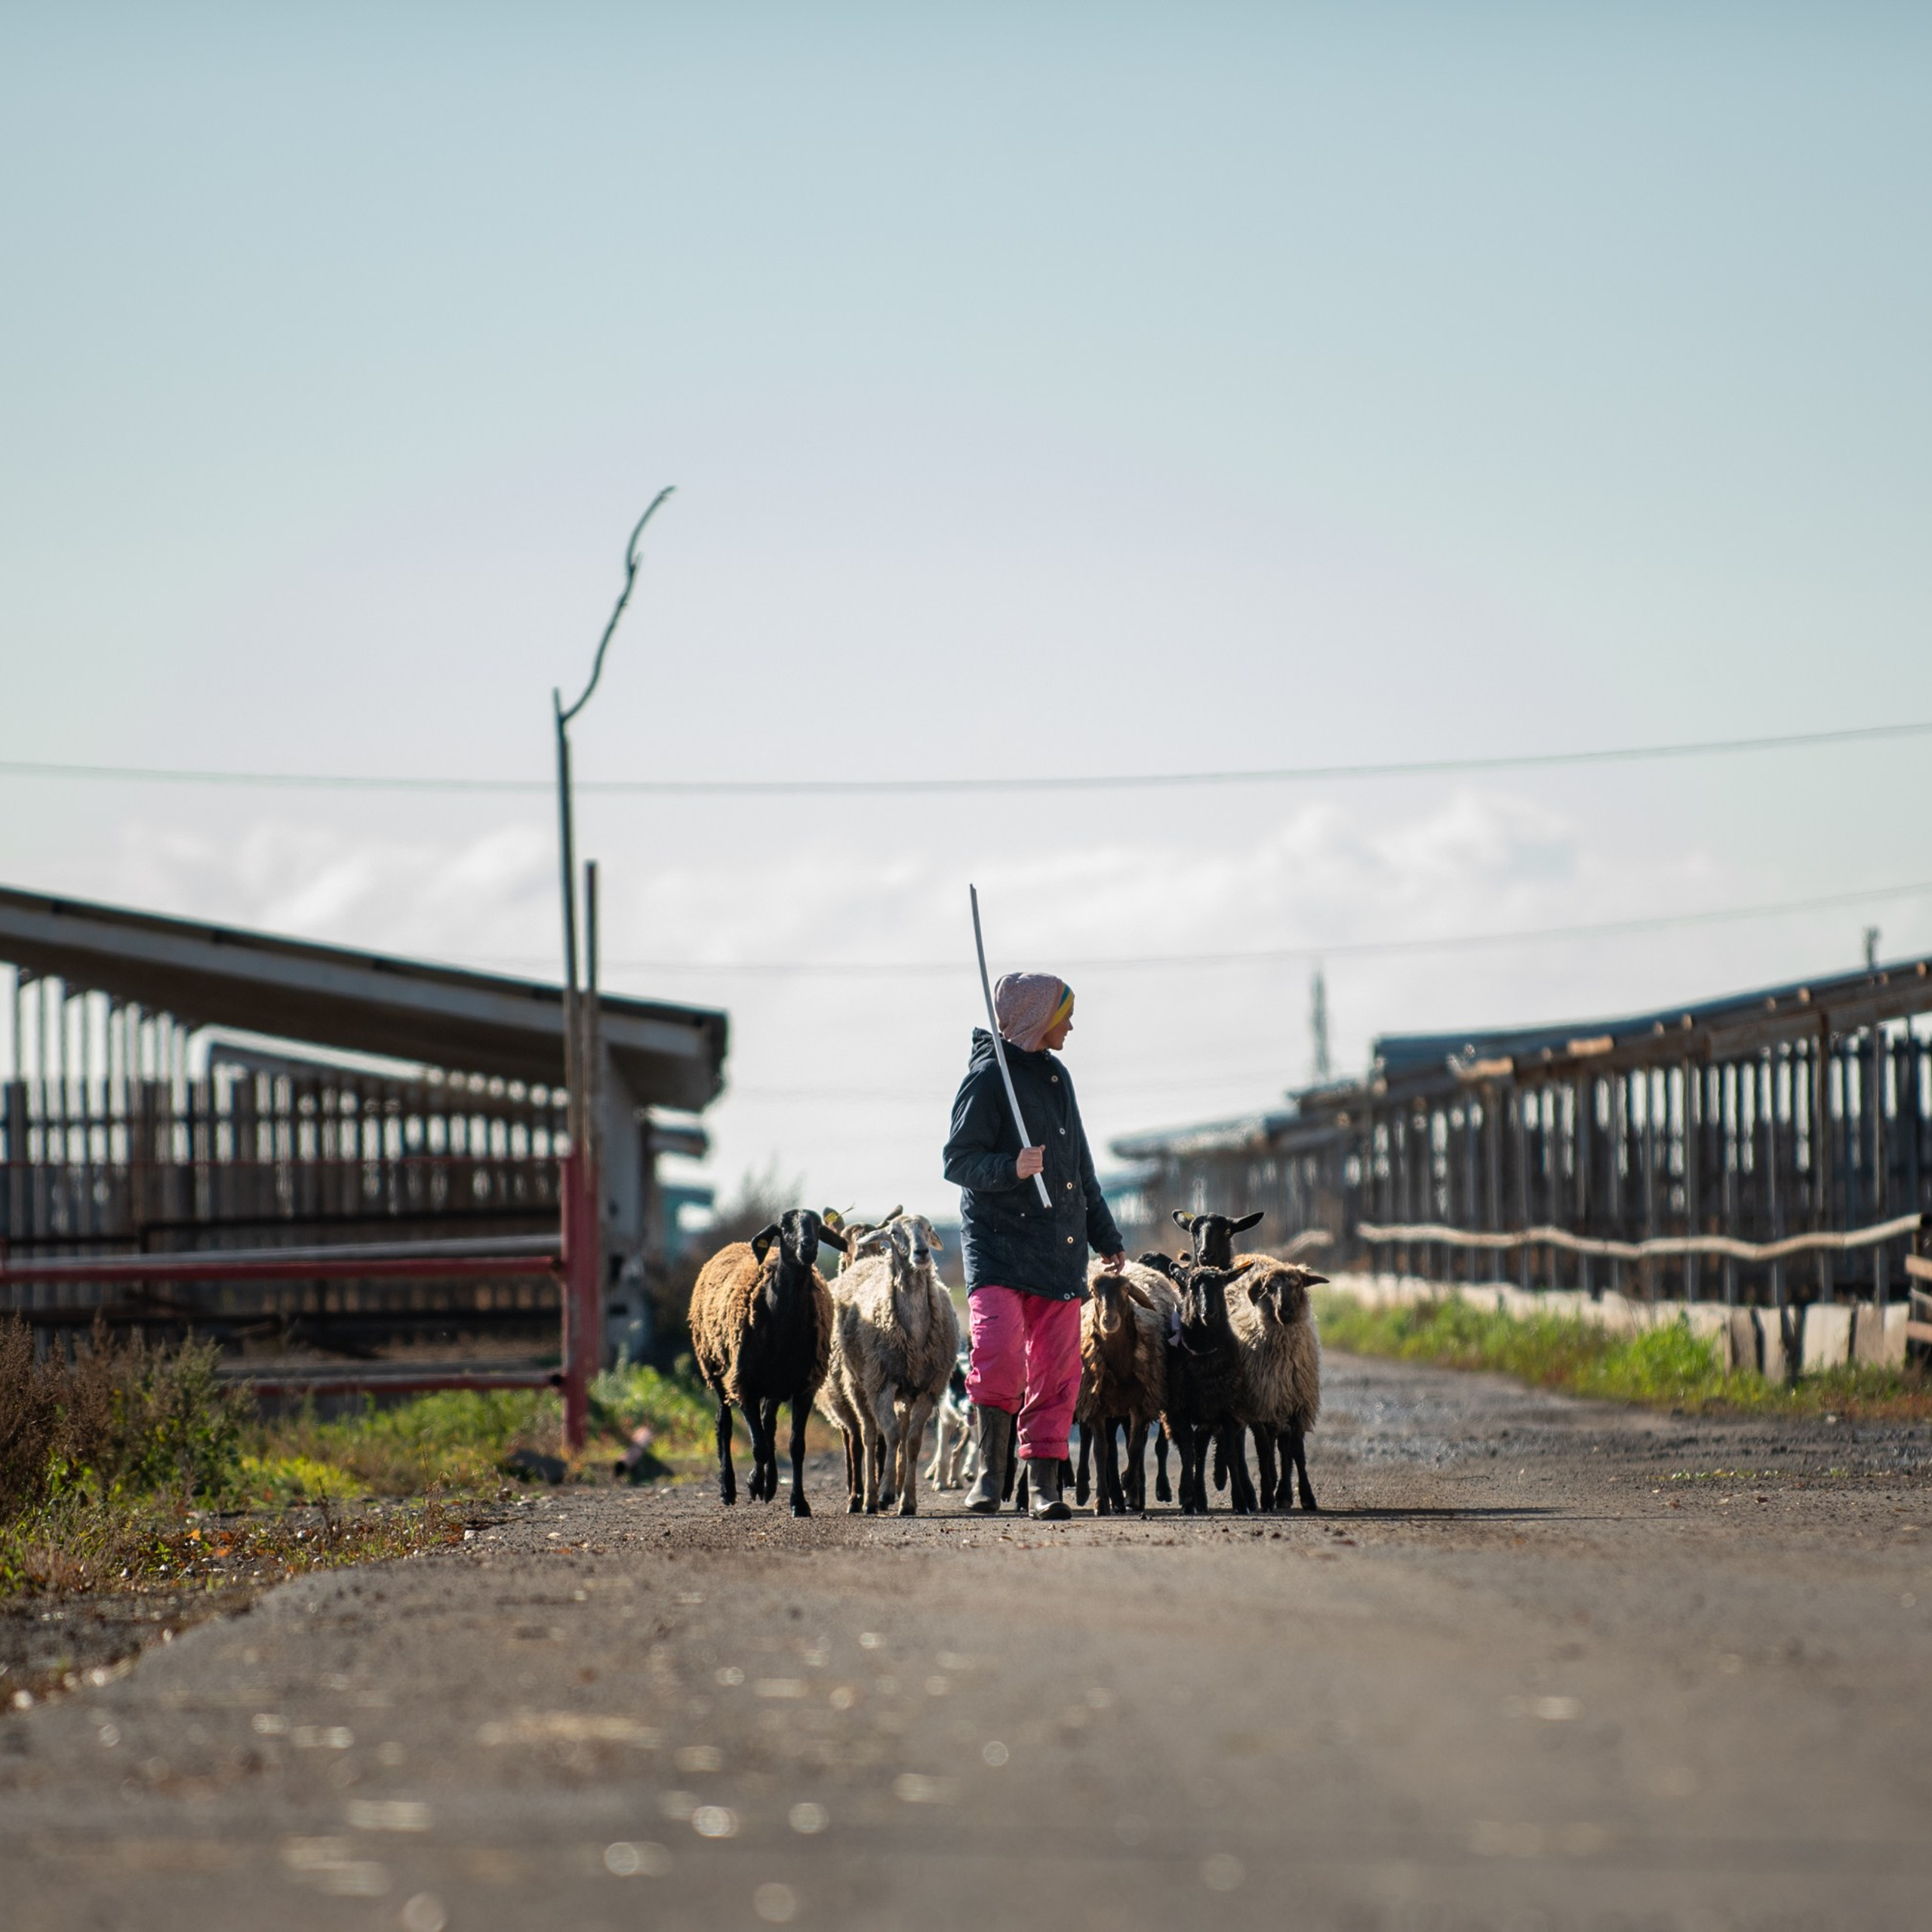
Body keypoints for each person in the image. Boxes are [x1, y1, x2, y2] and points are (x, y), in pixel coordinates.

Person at [942, 971, 1125, 1520]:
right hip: (998, 1246)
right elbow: (958, 1161)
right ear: (1035, 1019)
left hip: (1058, 1247)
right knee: (997, 1359)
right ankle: (988, 1477)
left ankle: (1045, 1487)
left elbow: (1080, 1169)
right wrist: (1010, 1167)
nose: (1070, 1024)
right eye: (1062, 1013)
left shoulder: (1056, 1078)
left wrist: (1106, 1236)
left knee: (1058, 1371)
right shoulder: (986, 1079)